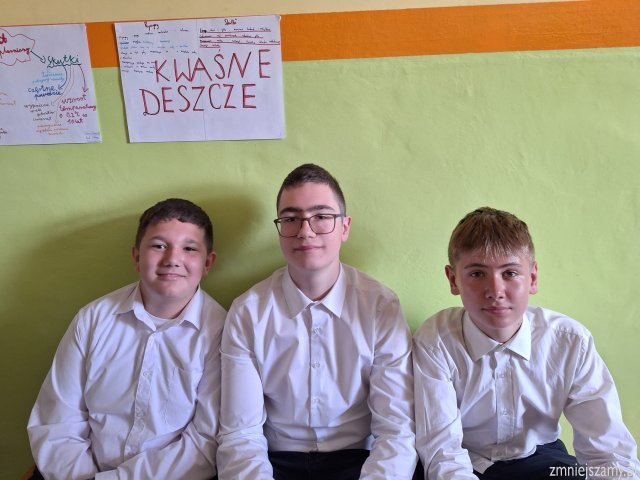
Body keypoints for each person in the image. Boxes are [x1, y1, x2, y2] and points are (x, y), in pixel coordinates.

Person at [217, 163, 417, 479]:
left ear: (344, 227)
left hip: (359, 461)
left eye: (321, 216)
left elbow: (396, 430)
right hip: (274, 461)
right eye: (291, 218)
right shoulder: (248, 312)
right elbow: (241, 435)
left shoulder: (380, 307)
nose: (305, 231)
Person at [413, 207, 640, 480]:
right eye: (477, 274)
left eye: (510, 273)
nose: (495, 291)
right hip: (464, 459)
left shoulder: (570, 342)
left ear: (532, 278)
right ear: (453, 280)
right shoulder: (435, 342)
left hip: (539, 457)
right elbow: (443, 453)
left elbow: (608, 452)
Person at [27, 198, 226, 480]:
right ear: (136, 256)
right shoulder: (93, 319)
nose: (172, 259)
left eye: (189, 248)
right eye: (158, 246)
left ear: (207, 263)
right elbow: (57, 421)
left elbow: (203, 444)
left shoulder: (221, 332)